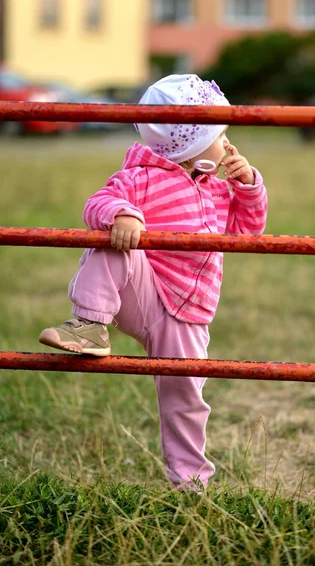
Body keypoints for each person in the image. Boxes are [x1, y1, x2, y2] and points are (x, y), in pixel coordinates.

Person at [39, 74, 268, 490]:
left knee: (185, 397)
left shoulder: (219, 188)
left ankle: (189, 481)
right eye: (222, 135)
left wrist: (248, 187)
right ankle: (90, 324)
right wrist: (122, 214)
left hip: (190, 312)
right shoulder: (140, 178)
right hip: (144, 295)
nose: (230, 144)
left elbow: (246, 234)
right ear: (194, 146)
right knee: (111, 245)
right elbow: (98, 203)